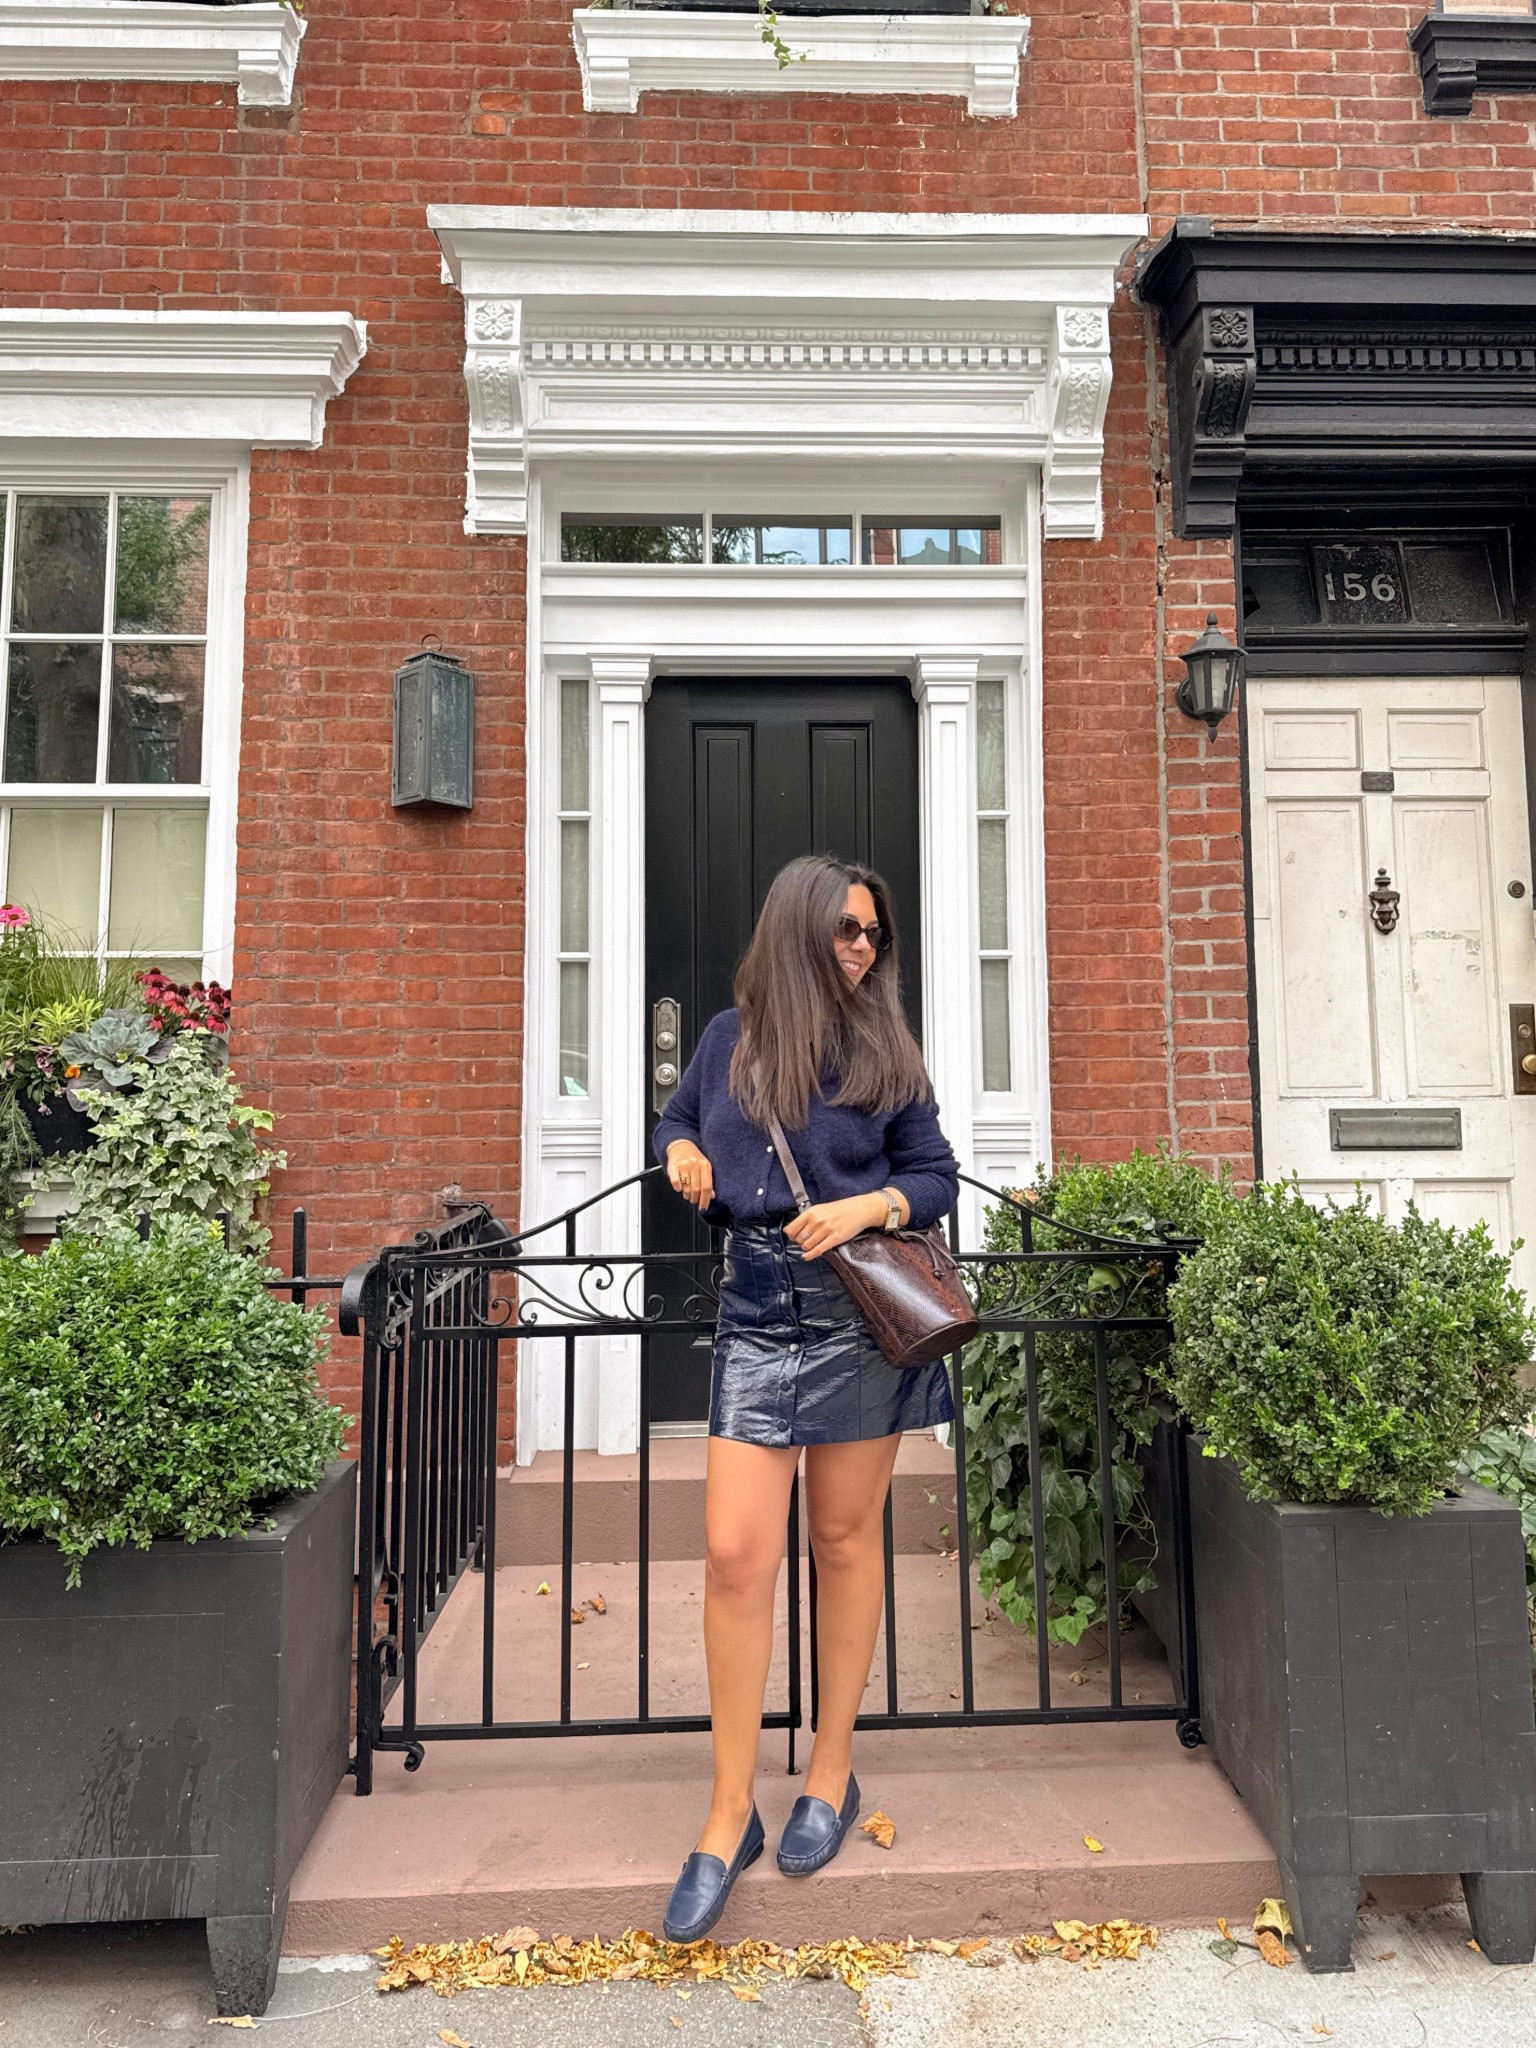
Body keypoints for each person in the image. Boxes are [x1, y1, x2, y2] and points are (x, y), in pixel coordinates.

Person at [651, 852, 960, 1943]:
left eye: (874, 932)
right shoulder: (730, 1042)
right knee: (737, 1551)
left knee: (840, 1535)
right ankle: (729, 1811)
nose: (864, 947)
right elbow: (676, 1121)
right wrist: (683, 1146)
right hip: (754, 1308)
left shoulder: (884, 1047)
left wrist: (870, 1203)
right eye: (845, 930)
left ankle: (830, 1771)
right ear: (797, 930)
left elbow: (936, 1174)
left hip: (852, 1317)